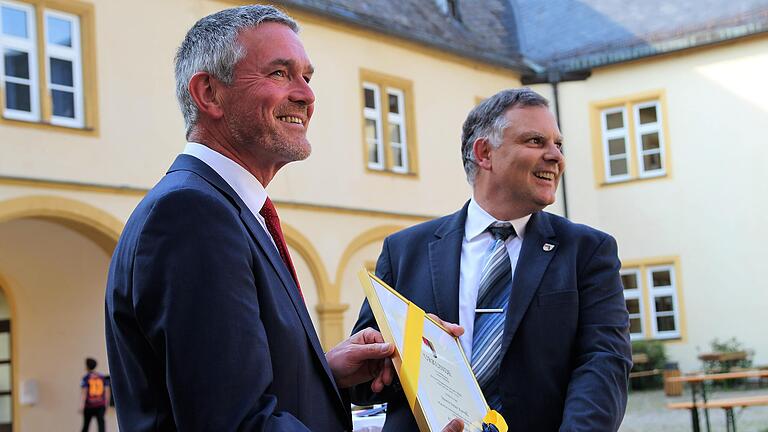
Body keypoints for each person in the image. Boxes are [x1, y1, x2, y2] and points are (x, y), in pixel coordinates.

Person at [105, 5, 464, 432]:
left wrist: (325, 373)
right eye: (279, 73)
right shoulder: (192, 215)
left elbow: (226, 392)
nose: (307, 95)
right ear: (208, 94)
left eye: (306, 77)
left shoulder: (221, 207)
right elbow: (236, 425)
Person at [352, 88, 633, 431]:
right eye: (535, 141)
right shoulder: (404, 250)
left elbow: (603, 363)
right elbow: (363, 383)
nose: (556, 156)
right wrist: (409, 354)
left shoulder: (588, 252)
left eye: (558, 145)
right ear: (484, 153)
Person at [80, 357, 110, 432]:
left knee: (85, 426)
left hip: (89, 405)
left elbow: (84, 392)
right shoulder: (102, 377)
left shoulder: (86, 378)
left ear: (87, 367)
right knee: (101, 426)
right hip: (100, 405)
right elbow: (107, 391)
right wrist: (106, 404)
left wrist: (82, 405)